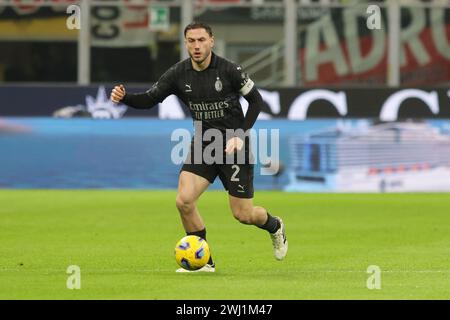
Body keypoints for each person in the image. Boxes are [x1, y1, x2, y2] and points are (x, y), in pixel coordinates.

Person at [111, 22, 287, 272]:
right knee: (184, 201)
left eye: (201, 40)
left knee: (244, 215)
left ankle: (274, 225)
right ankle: (205, 261)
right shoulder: (177, 74)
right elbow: (150, 99)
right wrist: (125, 98)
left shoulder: (230, 70)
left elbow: (256, 102)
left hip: (234, 146)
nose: (196, 46)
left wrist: (239, 134)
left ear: (211, 41)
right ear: (186, 43)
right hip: (204, 144)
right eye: (191, 41)